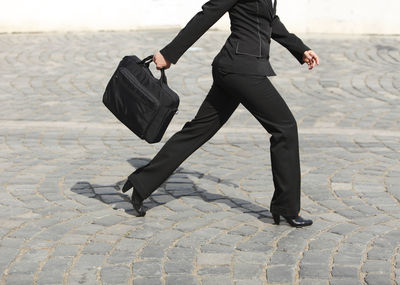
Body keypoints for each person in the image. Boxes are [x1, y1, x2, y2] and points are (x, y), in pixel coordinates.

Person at [122, 0, 319, 227]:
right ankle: (286, 208)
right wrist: (169, 53)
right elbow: (208, 14)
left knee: (197, 131)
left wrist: (300, 48)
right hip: (241, 70)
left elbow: (270, 20)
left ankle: (141, 184)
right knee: (285, 128)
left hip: (236, 68)